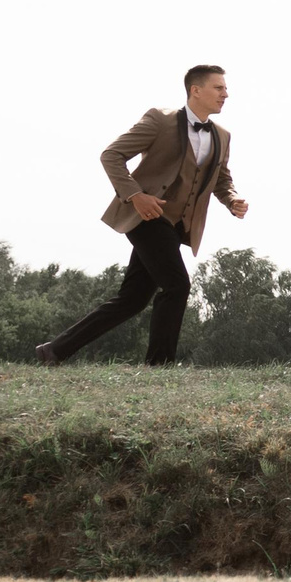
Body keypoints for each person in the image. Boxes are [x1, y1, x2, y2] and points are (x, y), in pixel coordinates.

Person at [36, 65, 250, 366]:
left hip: (177, 225)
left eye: (225, 89)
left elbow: (221, 178)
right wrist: (135, 196)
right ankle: (159, 365)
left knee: (132, 300)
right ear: (196, 90)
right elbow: (111, 155)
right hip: (145, 218)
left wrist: (231, 199)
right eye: (219, 88)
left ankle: (54, 350)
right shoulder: (159, 121)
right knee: (177, 285)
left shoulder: (222, 136)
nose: (226, 94)